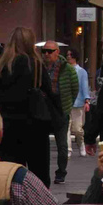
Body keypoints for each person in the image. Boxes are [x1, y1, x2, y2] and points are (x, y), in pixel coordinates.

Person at [0, 27, 60, 185]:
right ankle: (37, 204)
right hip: (34, 124)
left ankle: (12, 204)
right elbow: (51, 93)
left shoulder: (0, 67)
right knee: (39, 171)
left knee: (10, 172)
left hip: (8, 124)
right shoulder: (35, 64)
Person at [41, 41, 78, 185]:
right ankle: (41, 172)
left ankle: (61, 172)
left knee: (62, 145)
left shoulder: (67, 69)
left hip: (60, 110)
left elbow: (75, 89)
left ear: (57, 52)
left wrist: (67, 107)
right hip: (43, 110)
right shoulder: (40, 67)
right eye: (44, 51)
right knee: (41, 144)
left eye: (49, 51)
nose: (46, 54)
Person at [70, 50, 90, 156]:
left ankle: (81, 143)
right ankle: (68, 150)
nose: (68, 57)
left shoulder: (81, 71)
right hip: (66, 103)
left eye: (70, 55)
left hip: (78, 103)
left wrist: (86, 100)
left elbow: (84, 86)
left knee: (77, 129)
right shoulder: (64, 71)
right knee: (65, 129)